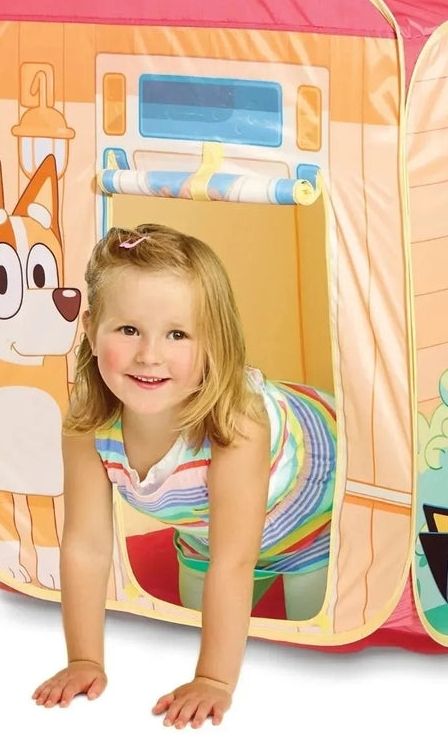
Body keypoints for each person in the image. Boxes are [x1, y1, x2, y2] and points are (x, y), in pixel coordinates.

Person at [32, 223, 336, 728]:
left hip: (316, 517)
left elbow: (235, 560)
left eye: (177, 334)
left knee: (312, 641)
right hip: (205, 535)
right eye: (128, 330)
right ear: (89, 328)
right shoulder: (87, 422)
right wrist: (84, 658)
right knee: (191, 619)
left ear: (213, 341)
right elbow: (85, 544)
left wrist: (214, 679)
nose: (149, 355)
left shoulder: (236, 425)